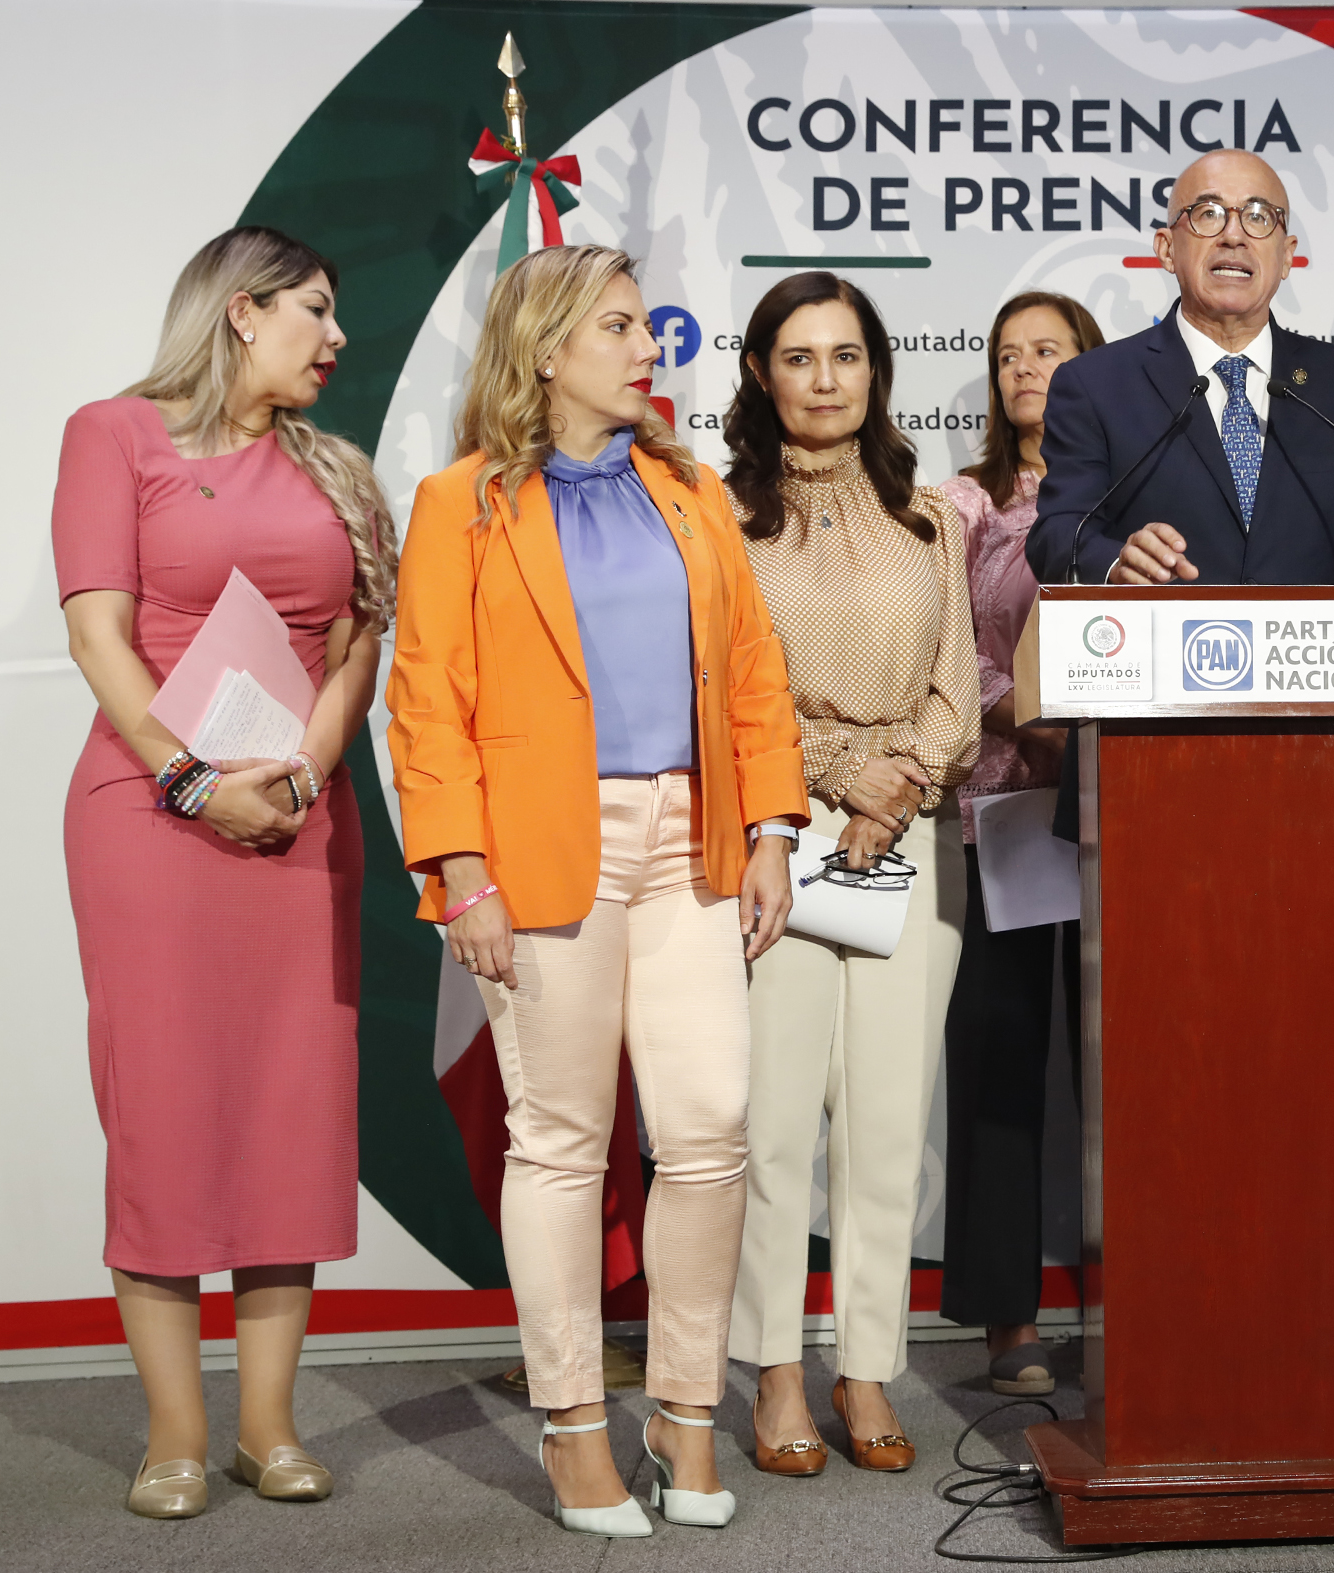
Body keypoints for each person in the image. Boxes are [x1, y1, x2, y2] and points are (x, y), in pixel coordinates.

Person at [388, 244, 807, 1537]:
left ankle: (684, 1413)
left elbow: (752, 668)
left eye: (644, 326)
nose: (647, 347)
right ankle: (574, 1426)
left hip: (694, 840)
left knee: (711, 1123)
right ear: (546, 348)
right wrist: (461, 869)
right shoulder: (459, 501)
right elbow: (426, 700)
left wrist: (775, 826)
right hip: (533, 854)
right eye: (619, 326)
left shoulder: (687, 489)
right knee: (562, 1141)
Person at [55, 227, 394, 1519]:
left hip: (298, 816)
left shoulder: (336, 468)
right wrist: (195, 780)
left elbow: (356, 645)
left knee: (287, 1109)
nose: (336, 337)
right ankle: (175, 1435)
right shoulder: (114, 435)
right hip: (152, 818)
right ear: (242, 312)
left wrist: (303, 771)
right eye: (316, 309)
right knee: (164, 1110)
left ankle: (268, 1428)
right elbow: (97, 634)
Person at [724, 272, 980, 1477]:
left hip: (906, 839)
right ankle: (776, 1367)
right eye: (798, 357)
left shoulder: (930, 518)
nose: (824, 380)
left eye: (846, 356)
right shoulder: (721, 519)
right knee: (773, 1121)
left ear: (876, 370)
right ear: (761, 373)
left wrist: (901, 785)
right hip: (772, 832)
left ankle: (865, 1363)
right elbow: (718, 689)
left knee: (885, 1123)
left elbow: (956, 685)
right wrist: (838, 772)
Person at [936, 292, 1105, 1396]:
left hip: (1135, 809)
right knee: (1002, 1057)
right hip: (1009, 802)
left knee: (1133, 1065)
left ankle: (1149, 1297)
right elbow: (940, 641)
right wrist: (1022, 714)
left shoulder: (1141, 496)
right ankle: (1007, 1318)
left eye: (1049, 349)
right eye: (1008, 355)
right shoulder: (966, 503)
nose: (1025, 368)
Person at [1024, 150, 1334, 586]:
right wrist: (1116, 563)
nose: (1234, 235)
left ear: (1287, 256)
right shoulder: (1095, 384)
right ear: (1167, 249)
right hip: (1156, 629)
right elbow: (1058, 535)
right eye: (1208, 214)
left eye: (1258, 216)